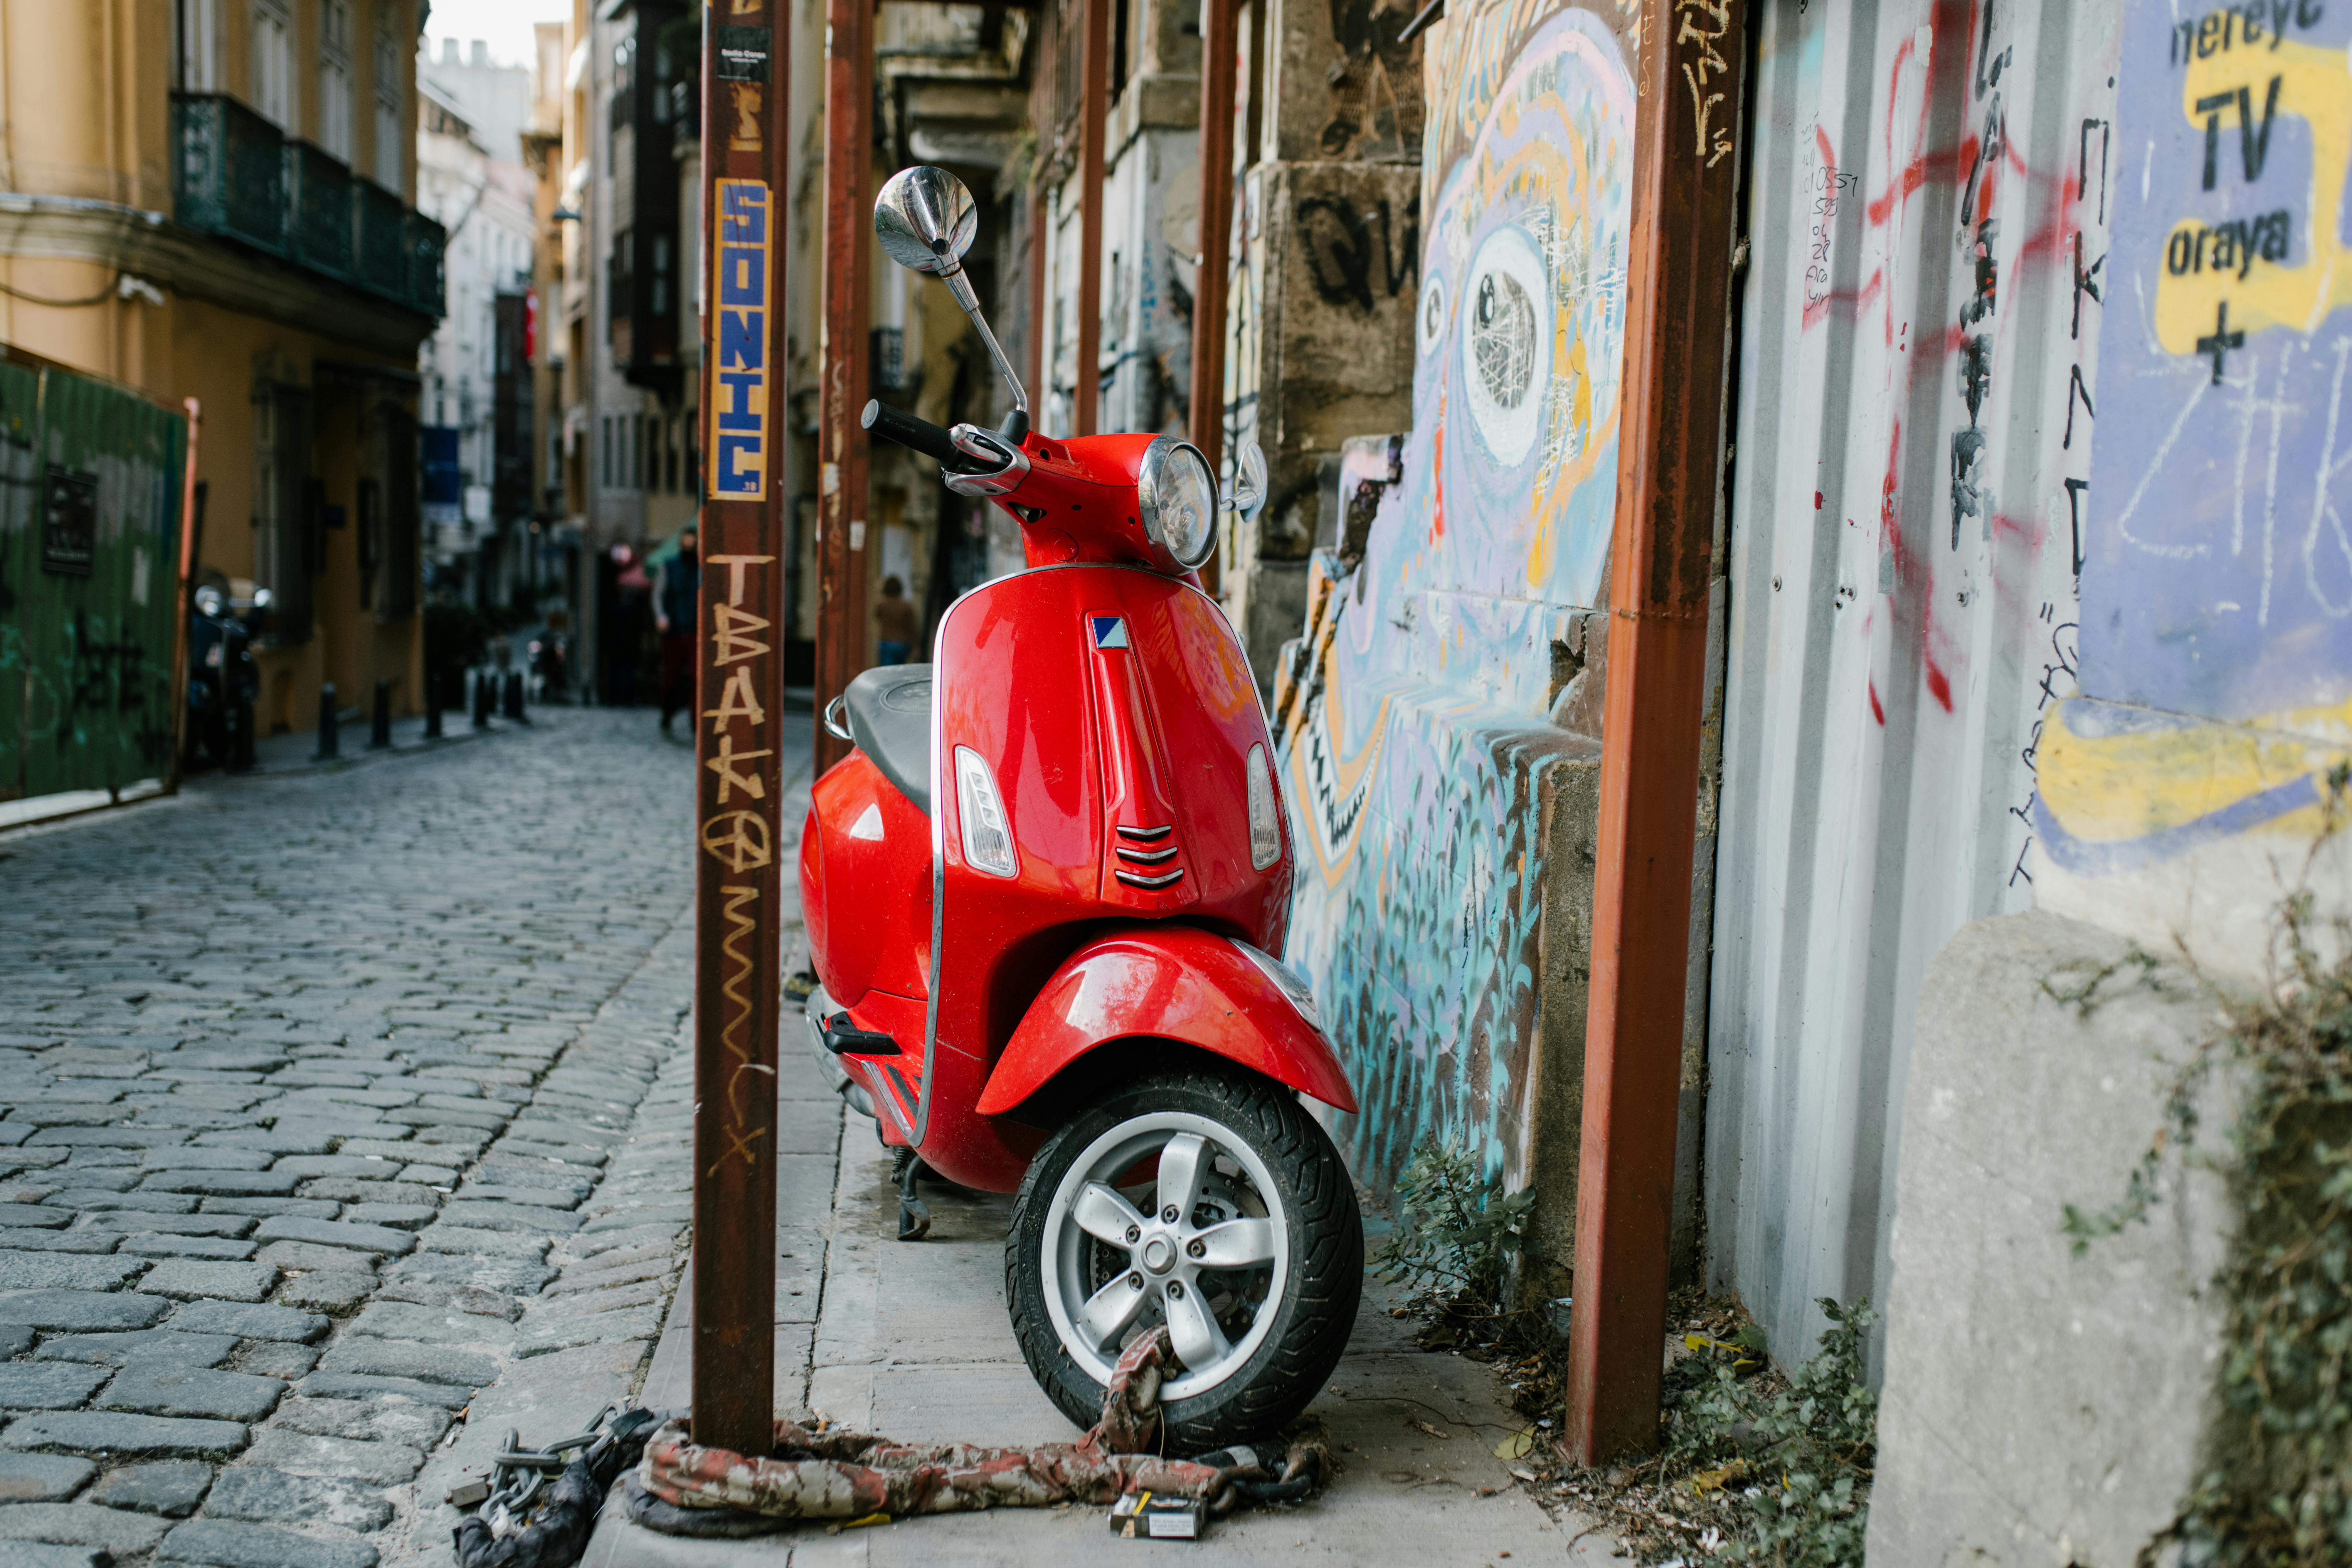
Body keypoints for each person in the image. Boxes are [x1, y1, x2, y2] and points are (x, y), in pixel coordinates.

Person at [653, 525, 700, 732]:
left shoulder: (701, 567)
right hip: (674, 630)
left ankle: (695, 723)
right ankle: (668, 713)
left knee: (697, 678)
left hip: (695, 630)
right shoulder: (669, 566)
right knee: (671, 678)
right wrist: (662, 616)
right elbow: (658, 594)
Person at [875, 575, 917, 665]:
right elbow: (912, 627)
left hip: (886, 643)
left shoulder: (882, 607)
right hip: (902, 643)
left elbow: (877, 617)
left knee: (887, 673)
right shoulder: (906, 607)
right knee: (900, 672)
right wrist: (916, 646)